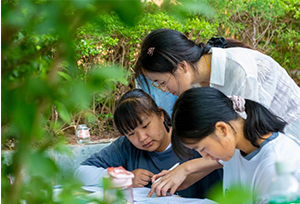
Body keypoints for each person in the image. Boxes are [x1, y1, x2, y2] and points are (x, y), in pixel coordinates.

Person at [135, 28, 300, 138]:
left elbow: (242, 138)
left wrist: (188, 169)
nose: (163, 89)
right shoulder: (193, 83)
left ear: (182, 66)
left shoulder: (239, 70)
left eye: (161, 82)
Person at [148, 87, 300, 203]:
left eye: (202, 148)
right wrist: (182, 171)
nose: (205, 156)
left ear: (221, 129)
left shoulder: (275, 167)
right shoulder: (238, 145)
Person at [74, 89, 222, 198]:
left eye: (145, 126)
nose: (142, 137)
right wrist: (127, 177)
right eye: (131, 133)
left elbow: (228, 156)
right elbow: (80, 173)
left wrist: (187, 169)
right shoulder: (127, 146)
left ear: (160, 115)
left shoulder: (190, 137)